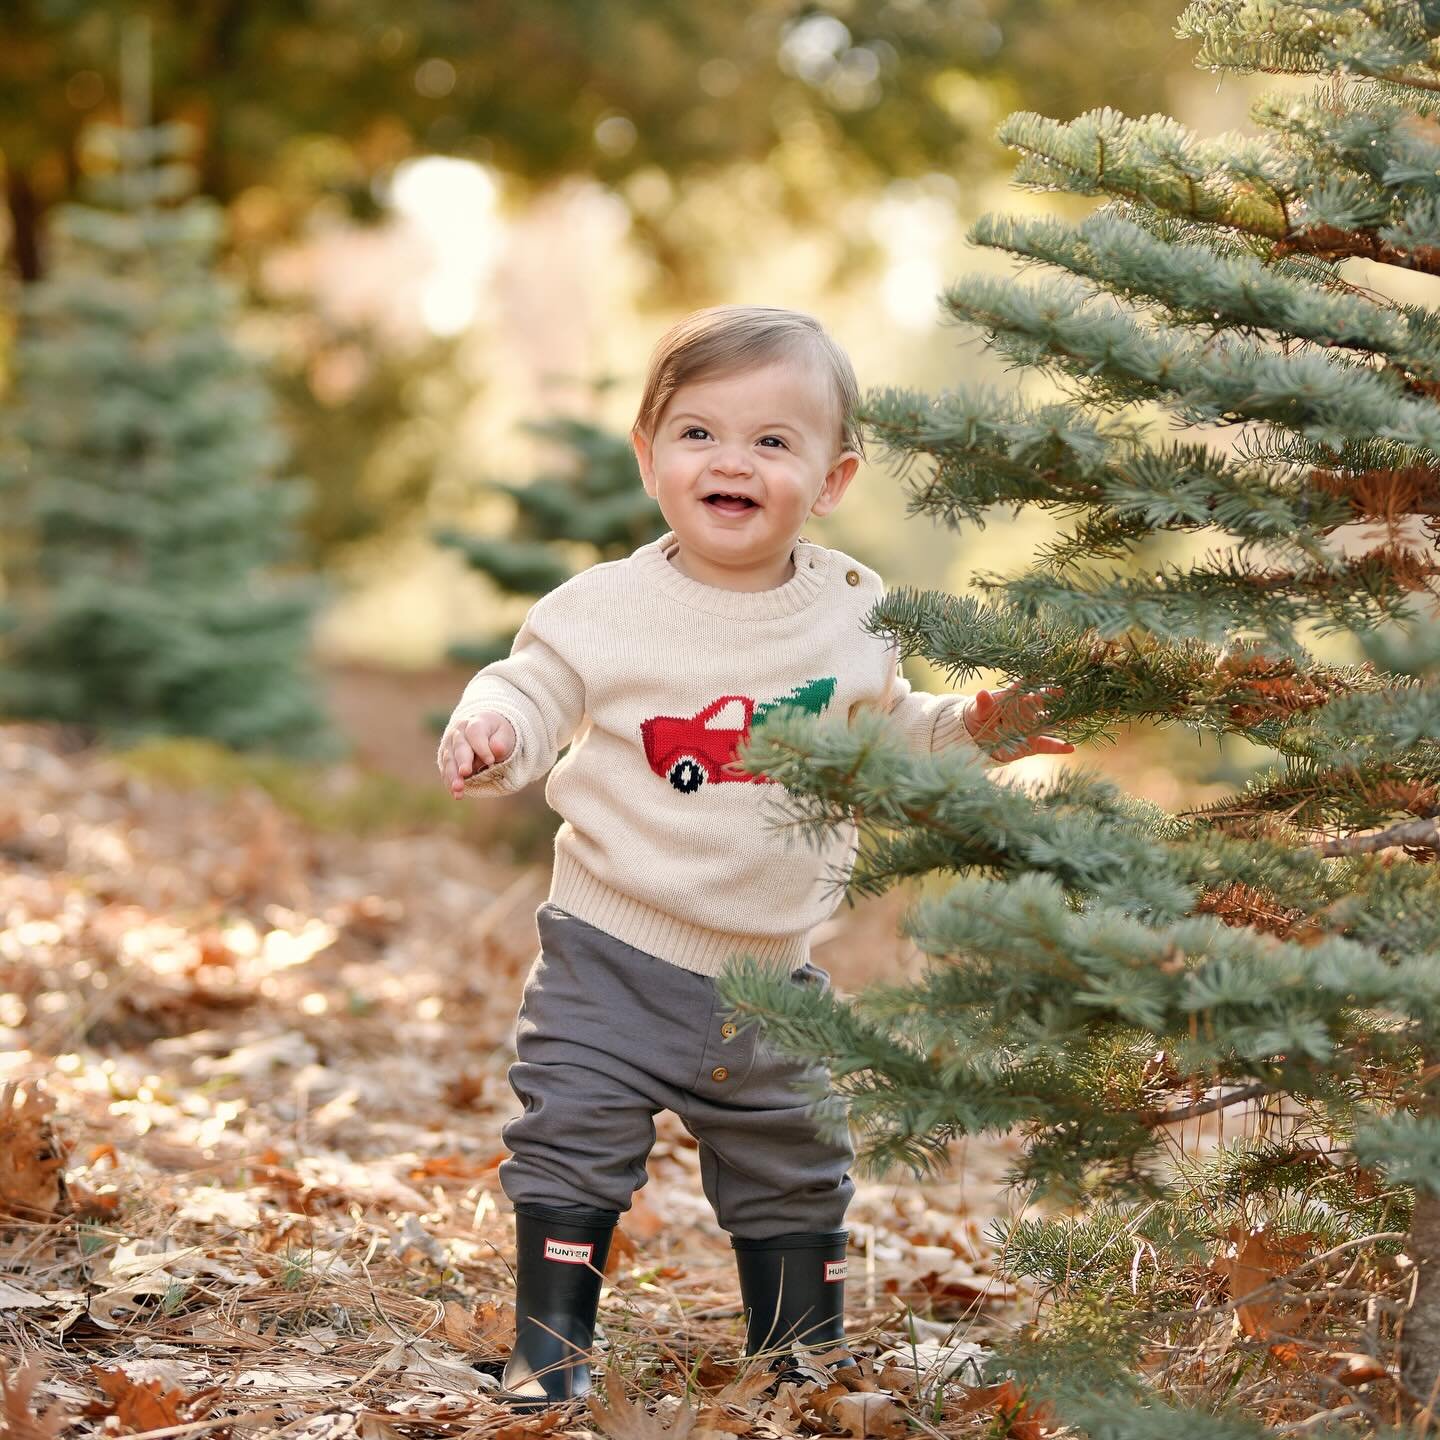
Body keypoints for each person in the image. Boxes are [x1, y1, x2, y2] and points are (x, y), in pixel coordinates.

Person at [436, 305, 1073, 1408]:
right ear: (648, 455)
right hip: (611, 951)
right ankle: (551, 1351)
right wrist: (494, 734)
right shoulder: (604, 609)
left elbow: (888, 728)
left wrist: (976, 728)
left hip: (772, 976)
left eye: (774, 441)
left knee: (796, 1157)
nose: (733, 461)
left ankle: (799, 1355)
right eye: (698, 434)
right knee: (570, 1134)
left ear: (831, 479)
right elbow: (529, 688)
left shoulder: (850, 614)